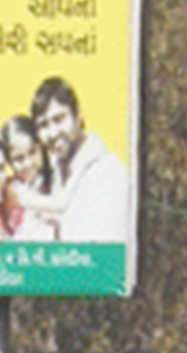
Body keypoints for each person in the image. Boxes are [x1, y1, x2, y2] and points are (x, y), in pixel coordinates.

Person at [29, 76, 130, 243]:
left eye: (59, 119)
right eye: (43, 125)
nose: (52, 133)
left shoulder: (109, 173)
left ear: (78, 117)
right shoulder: (51, 177)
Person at [0, 113, 56, 240]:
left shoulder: (56, 180)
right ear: (8, 162)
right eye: (19, 159)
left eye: (32, 152)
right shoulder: (9, 191)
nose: (28, 163)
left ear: (41, 147)